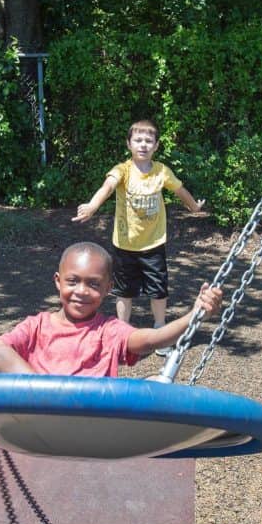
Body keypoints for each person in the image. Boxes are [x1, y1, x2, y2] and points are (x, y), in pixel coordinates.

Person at [0, 241, 223, 377]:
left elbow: (152, 340)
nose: (81, 292)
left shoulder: (109, 330)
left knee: (158, 385)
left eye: (93, 284)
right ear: (58, 282)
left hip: (90, 418)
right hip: (38, 412)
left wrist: (193, 315)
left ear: (107, 289)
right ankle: (41, 392)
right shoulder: (36, 325)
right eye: (73, 281)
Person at [72, 119, 205, 354]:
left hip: (153, 244)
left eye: (148, 141)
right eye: (138, 140)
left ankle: (160, 329)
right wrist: (92, 206)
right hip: (125, 244)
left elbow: (179, 190)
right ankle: (123, 332)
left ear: (156, 145)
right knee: (124, 291)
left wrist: (193, 206)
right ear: (129, 144)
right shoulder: (122, 170)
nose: (143, 145)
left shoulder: (161, 171)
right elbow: (107, 187)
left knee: (158, 288)